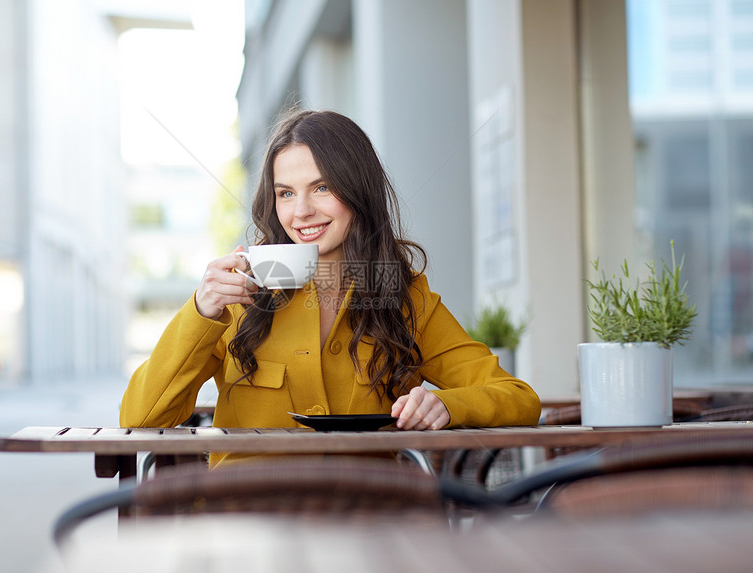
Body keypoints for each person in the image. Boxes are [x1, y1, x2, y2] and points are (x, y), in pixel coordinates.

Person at [120, 109, 540, 467]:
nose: (301, 211)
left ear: (357, 190)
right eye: (286, 193)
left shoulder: (404, 298)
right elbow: (140, 417)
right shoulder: (238, 294)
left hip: (363, 527)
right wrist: (201, 310)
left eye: (321, 187)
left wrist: (447, 406)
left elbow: (517, 397)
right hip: (248, 527)